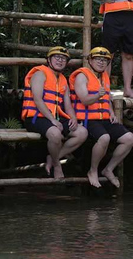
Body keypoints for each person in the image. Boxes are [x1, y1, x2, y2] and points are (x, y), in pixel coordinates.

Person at [70, 47, 133, 188]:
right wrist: (97, 95)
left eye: (105, 60)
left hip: (104, 118)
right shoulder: (82, 76)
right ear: (90, 60)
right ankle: (93, 171)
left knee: (129, 139)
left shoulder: (104, 76)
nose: (101, 62)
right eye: (98, 59)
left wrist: (111, 112)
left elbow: (107, 98)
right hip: (88, 118)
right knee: (104, 138)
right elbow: (84, 100)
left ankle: (108, 169)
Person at [21, 46, 88, 178]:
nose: (60, 60)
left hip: (55, 118)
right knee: (55, 134)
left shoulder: (63, 79)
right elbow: (38, 100)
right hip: (36, 117)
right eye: (57, 57)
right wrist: (52, 120)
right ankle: (57, 166)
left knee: (82, 132)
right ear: (49, 60)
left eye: (63, 58)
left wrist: (73, 118)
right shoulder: (40, 73)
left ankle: (52, 158)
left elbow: (67, 105)